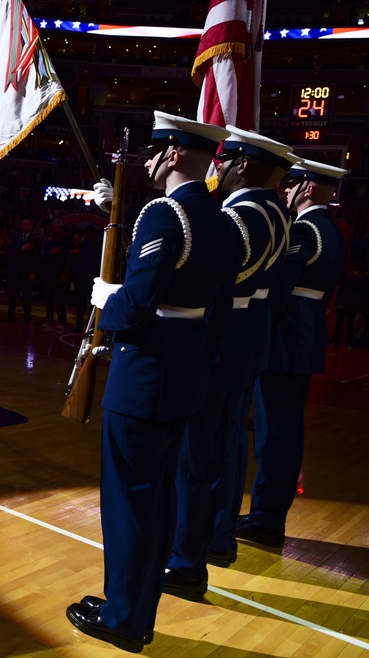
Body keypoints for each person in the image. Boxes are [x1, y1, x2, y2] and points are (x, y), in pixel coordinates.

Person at [66, 112, 240, 653]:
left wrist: (105, 301)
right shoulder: (219, 219)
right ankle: (136, 611)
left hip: (144, 374)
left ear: (172, 155)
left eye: (155, 150)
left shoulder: (165, 213)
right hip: (185, 372)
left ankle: (124, 617)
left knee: (129, 504)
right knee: (158, 502)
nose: (147, 159)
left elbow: (137, 305)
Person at [164, 127, 295, 601]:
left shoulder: (240, 215)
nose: (216, 167)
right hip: (248, 336)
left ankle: (185, 558)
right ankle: (217, 538)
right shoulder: (277, 210)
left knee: (197, 457)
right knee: (227, 449)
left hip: (222, 340)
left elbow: (210, 271)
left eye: (224, 161)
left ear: (242, 165)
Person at [237, 159, 349, 548]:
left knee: (275, 432)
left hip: (288, 336)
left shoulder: (304, 228)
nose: (285, 190)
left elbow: (280, 290)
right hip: (306, 332)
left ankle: (266, 520)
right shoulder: (330, 229)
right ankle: (268, 513)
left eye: (293, 184)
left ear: (308, 189)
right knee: (285, 429)